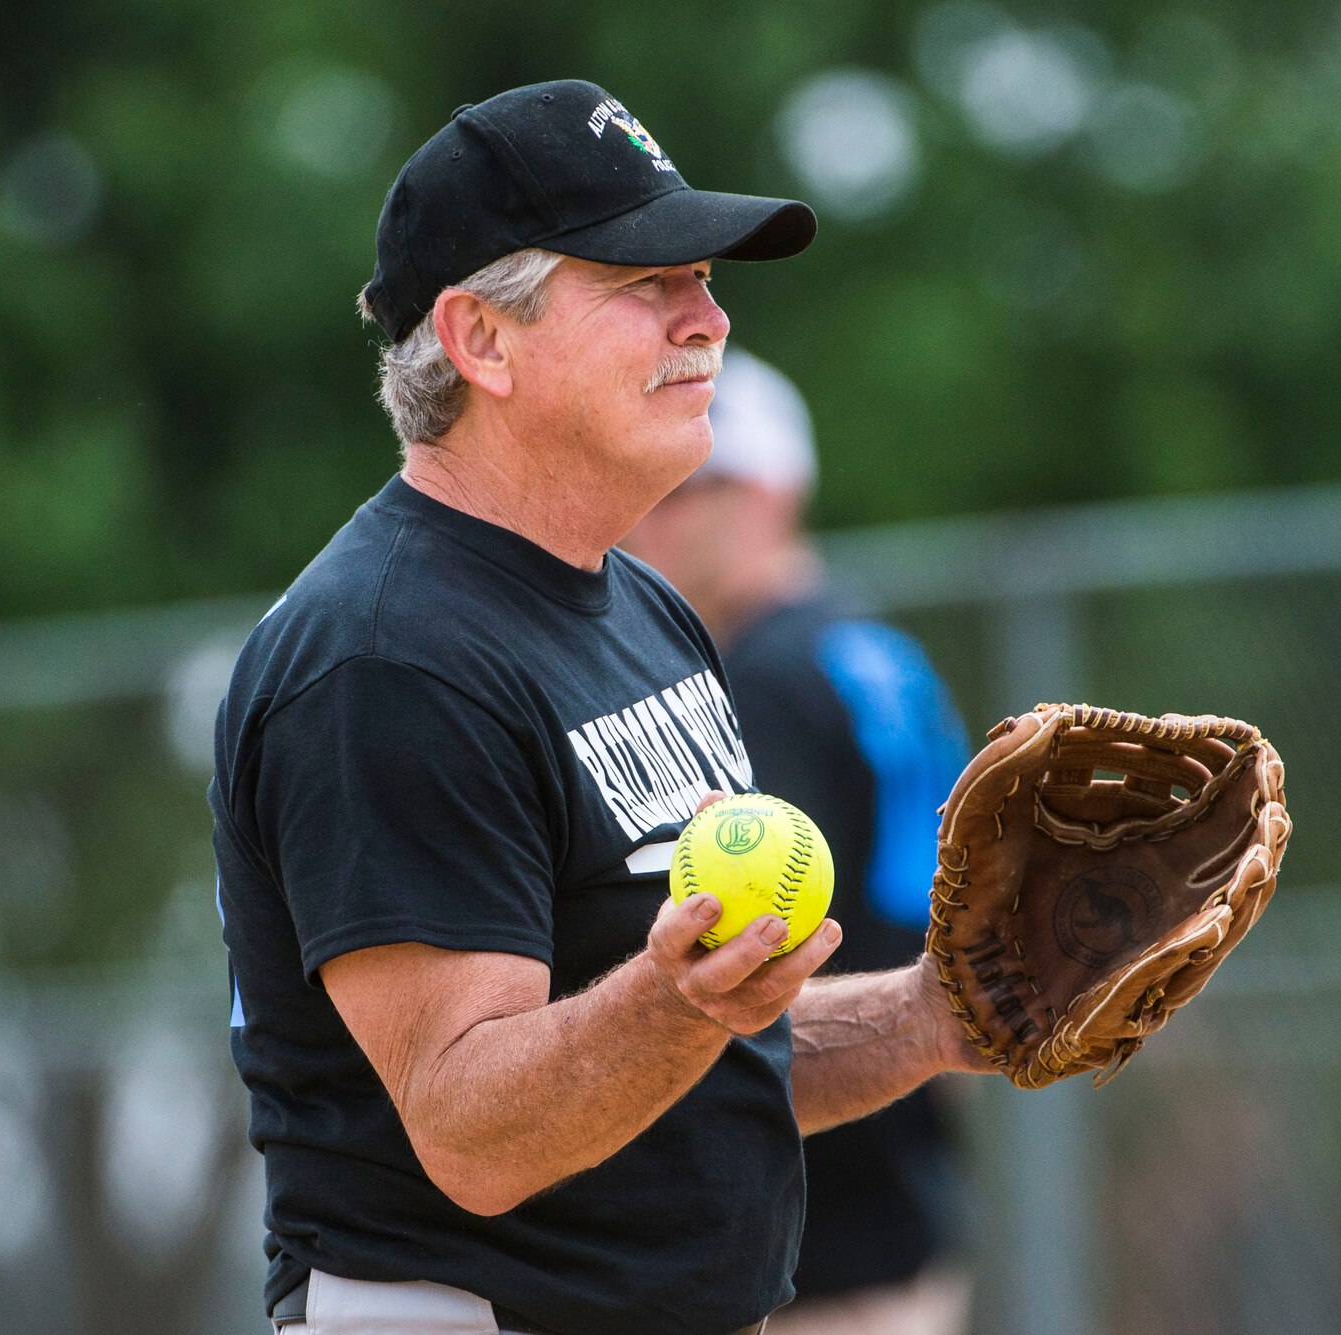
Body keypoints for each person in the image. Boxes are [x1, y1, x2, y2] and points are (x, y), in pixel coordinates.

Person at [209, 80, 989, 1335]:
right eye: (646, 282)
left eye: (705, 278)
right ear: (480, 340)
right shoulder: (384, 657)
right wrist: (677, 997)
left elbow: (704, 1072)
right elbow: (473, 1130)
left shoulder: (644, 607)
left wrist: (943, 1011)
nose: (708, 320)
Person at [623, 352, 973, 1335]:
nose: (662, 512)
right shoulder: (870, 647)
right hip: (899, 1177)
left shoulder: (763, 676)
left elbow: (750, 940)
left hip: (816, 1216)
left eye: (699, 487)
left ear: (776, 490)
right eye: (657, 483)